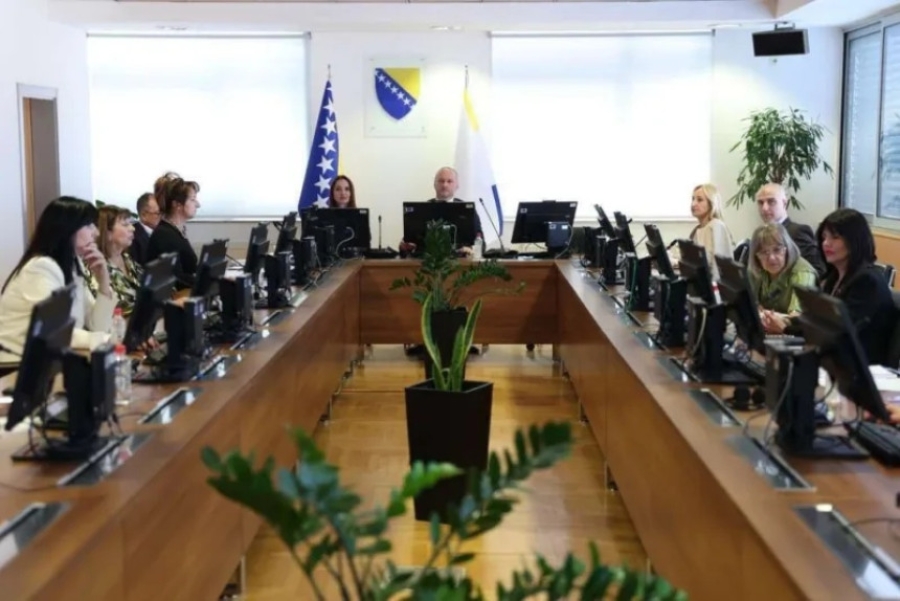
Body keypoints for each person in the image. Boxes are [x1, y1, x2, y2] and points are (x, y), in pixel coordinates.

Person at [0, 197, 116, 362]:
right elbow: (56, 331)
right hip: (15, 364)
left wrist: (103, 280)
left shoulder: (73, 264)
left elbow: (97, 325)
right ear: (68, 229)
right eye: (89, 225)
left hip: (46, 360)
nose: (96, 233)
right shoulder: (40, 268)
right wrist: (106, 339)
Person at [775, 208, 894, 365]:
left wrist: (786, 328)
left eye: (835, 237)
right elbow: (818, 321)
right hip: (831, 359)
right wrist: (786, 321)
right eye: (824, 237)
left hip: (857, 366)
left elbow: (839, 332)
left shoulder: (867, 281)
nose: (826, 243)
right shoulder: (831, 278)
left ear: (854, 240)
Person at [747, 223, 818, 334]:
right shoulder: (757, 270)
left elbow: (797, 319)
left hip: (795, 336)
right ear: (756, 256)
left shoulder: (802, 273)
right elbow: (751, 305)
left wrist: (765, 316)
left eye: (777, 250)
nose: (771, 258)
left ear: (787, 248)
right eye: (764, 252)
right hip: (767, 332)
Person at [399, 167, 483, 255]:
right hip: (426, 260)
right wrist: (404, 247)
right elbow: (407, 243)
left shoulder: (467, 210)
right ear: (434, 184)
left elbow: (480, 241)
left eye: (449, 181)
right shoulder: (421, 210)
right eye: (441, 181)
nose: (445, 185)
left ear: (457, 185)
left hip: (460, 259)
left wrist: (471, 249)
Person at [755, 183, 826, 276]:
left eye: (771, 201)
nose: (764, 208)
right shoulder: (760, 235)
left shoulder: (798, 232)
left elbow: (817, 270)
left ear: (784, 204)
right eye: (760, 203)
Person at [85, 205, 143, 317]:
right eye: (125, 225)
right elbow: (105, 311)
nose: (133, 228)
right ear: (107, 232)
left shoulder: (127, 258)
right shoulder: (95, 266)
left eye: (130, 223)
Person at [146, 176, 201, 290]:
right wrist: (208, 280)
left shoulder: (174, 231)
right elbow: (177, 279)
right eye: (192, 199)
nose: (198, 204)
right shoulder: (164, 235)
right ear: (177, 205)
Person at [689, 183, 734, 279]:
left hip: (713, 285)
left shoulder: (716, 226)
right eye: (693, 199)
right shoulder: (698, 229)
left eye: (699, 200)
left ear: (711, 203)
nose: (693, 204)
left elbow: (718, 268)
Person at [131, 192, 159, 266]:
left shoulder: (160, 233)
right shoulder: (133, 237)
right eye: (157, 213)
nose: (160, 217)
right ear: (143, 215)